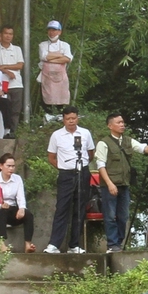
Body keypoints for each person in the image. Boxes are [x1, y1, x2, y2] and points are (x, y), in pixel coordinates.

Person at [94, 113, 148, 251]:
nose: (122, 124)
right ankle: (112, 245)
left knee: (123, 216)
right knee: (110, 216)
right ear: (110, 125)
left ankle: (118, 243)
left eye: (123, 122)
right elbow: (100, 165)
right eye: (118, 122)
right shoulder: (103, 143)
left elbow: (143, 148)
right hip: (109, 185)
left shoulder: (128, 141)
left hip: (124, 184)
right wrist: (110, 184)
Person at [43, 107, 93, 254]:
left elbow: (91, 154)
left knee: (80, 208)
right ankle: (54, 244)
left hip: (82, 172)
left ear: (77, 118)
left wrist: (82, 166)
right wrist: (64, 167)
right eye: (68, 119)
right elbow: (51, 157)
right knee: (62, 208)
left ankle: (74, 245)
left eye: (74, 118)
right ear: (63, 119)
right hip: (66, 174)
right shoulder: (56, 135)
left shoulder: (85, 133)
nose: (71, 121)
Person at [0, 153, 34, 253]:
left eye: (13, 166)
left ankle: (28, 245)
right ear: (1, 166)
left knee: (28, 214)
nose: (11, 168)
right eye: (8, 166)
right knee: (2, 212)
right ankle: (2, 244)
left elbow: (20, 196)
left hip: (11, 210)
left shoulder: (17, 179)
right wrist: (0, 205)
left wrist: (22, 208)